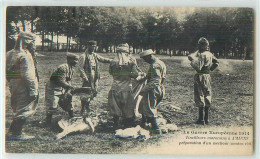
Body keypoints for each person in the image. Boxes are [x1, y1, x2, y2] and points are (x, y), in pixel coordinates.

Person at [6, 32, 39, 140]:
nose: (33, 44)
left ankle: (12, 131)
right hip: (23, 84)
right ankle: (17, 133)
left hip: (14, 83)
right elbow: (28, 75)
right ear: (26, 41)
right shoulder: (24, 55)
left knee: (18, 106)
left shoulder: (10, 53)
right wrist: (33, 90)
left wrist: (11, 82)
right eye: (32, 41)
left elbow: (6, 71)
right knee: (25, 108)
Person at [188, 37, 219, 125]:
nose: (198, 46)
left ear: (201, 45)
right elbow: (216, 62)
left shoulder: (202, 55)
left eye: (199, 44)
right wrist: (210, 70)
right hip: (207, 75)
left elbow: (198, 67)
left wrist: (192, 60)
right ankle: (207, 119)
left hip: (200, 75)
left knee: (199, 95)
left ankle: (201, 119)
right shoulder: (209, 54)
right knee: (207, 94)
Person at [108, 43, 139, 129]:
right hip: (126, 87)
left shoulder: (113, 62)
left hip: (115, 87)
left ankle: (115, 124)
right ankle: (127, 124)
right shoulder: (131, 62)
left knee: (115, 106)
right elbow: (135, 75)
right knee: (127, 107)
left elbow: (111, 72)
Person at [78, 40, 112, 117]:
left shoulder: (94, 55)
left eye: (94, 46)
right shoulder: (83, 56)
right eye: (92, 46)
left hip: (95, 75)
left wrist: (113, 61)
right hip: (88, 76)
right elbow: (80, 68)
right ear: (88, 46)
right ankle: (83, 108)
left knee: (94, 91)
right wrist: (85, 77)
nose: (93, 48)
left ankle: (87, 106)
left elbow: (103, 59)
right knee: (86, 92)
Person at [45, 53, 79, 125]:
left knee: (68, 101)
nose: (76, 62)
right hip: (53, 88)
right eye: (75, 60)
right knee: (52, 105)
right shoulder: (63, 68)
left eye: (77, 60)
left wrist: (68, 91)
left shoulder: (71, 69)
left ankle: (72, 117)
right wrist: (70, 87)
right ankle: (47, 122)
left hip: (62, 88)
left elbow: (68, 81)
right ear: (69, 60)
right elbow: (61, 81)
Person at [138, 49, 166, 134]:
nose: (145, 61)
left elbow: (156, 81)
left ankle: (156, 128)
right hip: (159, 87)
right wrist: (145, 77)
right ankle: (144, 122)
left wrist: (144, 89)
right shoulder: (160, 62)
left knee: (150, 108)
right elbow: (158, 76)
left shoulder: (154, 65)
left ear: (150, 56)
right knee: (144, 105)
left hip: (153, 89)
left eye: (145, 59)